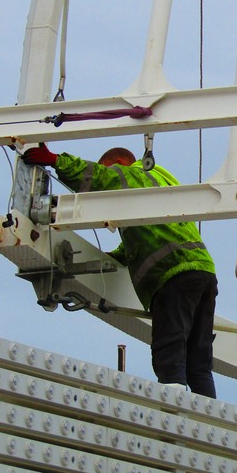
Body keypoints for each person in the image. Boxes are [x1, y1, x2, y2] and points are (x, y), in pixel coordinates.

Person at [22, 144, 218, 398]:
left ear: (119, 164)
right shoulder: (160, 181)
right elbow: (139, 245)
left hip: (173, 275)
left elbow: (101, 178)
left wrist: (56, 160)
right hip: (203, 274)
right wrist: (106, 260)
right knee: (198, 361)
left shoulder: (135, 175)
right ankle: (212, 421)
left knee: (169, 352)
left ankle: (174, 419)